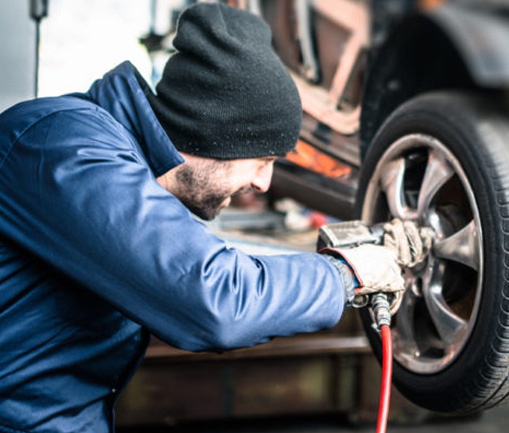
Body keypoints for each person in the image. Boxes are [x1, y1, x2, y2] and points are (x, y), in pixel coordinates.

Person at [0, 4, 418, 433]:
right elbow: (212, 299)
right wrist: (345, 275)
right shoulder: (64, 146)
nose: (265, 183)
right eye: (263, 159)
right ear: (214, 132)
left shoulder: (112, 160)